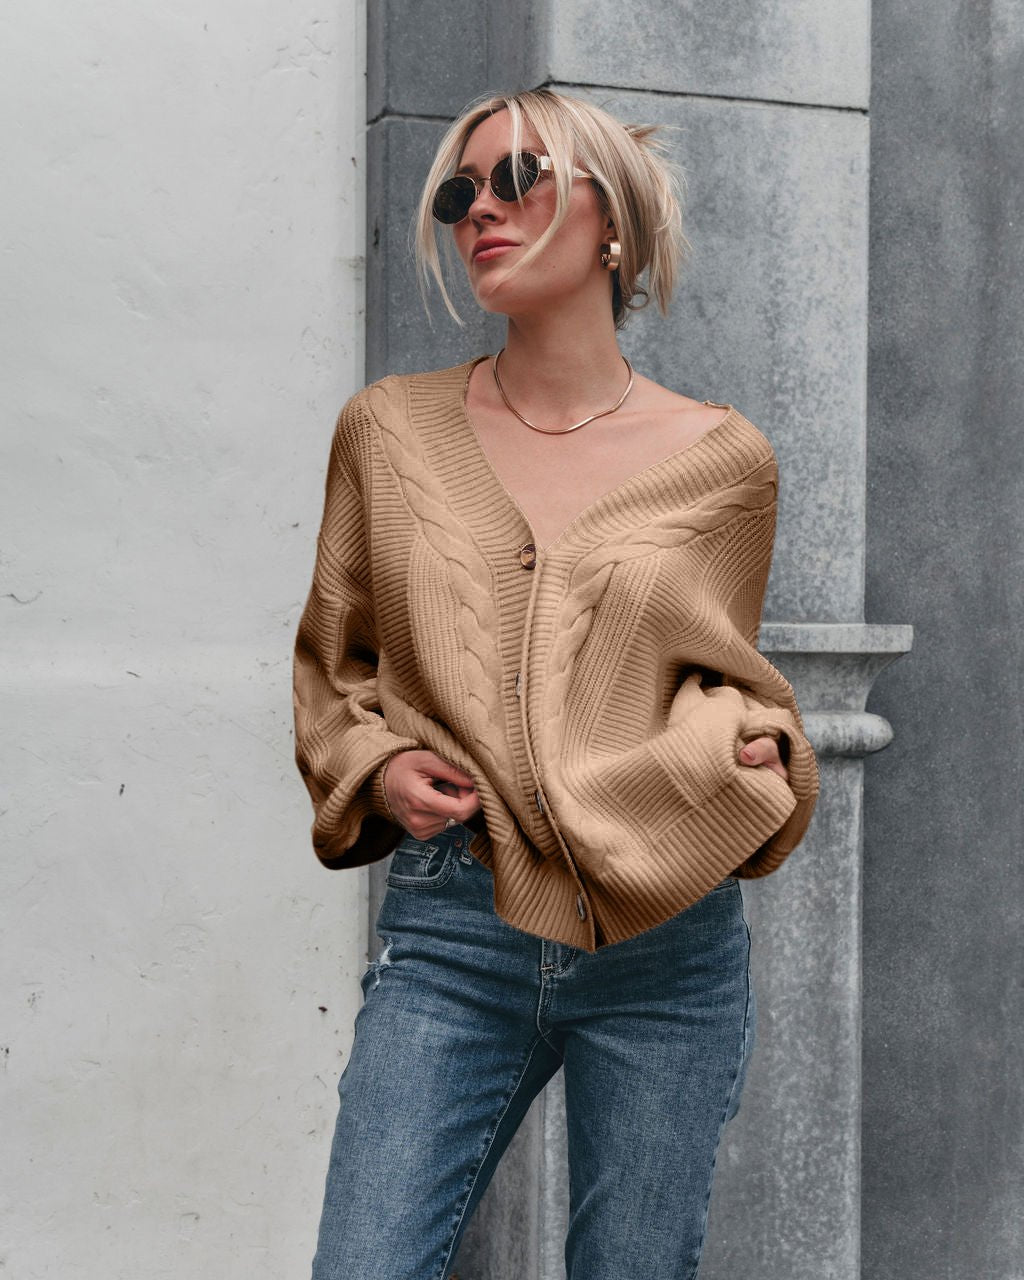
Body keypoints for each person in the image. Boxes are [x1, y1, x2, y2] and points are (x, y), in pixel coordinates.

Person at [293, 87, 819, 1280]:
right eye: (459, 192)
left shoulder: (723, 460)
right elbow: (335, 668)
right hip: (452, 928)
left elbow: (725, 680)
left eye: (518, 177)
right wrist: (376, 765)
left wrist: (754, 754)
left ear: (612, 219)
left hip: (667, 939)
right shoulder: (387, 432)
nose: (479, 208)